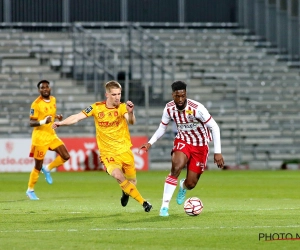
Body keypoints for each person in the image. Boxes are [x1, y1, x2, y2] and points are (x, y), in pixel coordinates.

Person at [52, 80, 152, 212]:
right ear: (107, 95)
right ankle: (144, 203)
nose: (117, 97)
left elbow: (131, 122)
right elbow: (77, 117)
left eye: (119, 94)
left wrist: (131, 112)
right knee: (118, 176)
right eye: (114, 94)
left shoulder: (123, 107)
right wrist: (61, 123)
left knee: (131, 182)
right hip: (108, 154)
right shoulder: (96, 107)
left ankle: (125, 192)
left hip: (125, 151)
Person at [139, 80, 224, 216]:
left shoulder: (197, 108)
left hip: (200, 145)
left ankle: (183, 186)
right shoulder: (169, 108)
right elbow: (162, 127)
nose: (180, 99)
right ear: (173, 95)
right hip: (183, 140)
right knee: (176, 167)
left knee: (191, 184)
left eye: (183, 96)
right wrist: (150, 142)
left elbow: (214, 127)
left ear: (186, 94)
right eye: (177, 96)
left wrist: (217, 152)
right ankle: (164, 207)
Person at [26, 80, 70, 200]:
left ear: (50, 88)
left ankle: (48, 168)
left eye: (47, 87)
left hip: (51, 135)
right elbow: (31, 122)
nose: (45, 89)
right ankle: (30, 190)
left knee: (66, 156)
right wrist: (43, 122)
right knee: (37, 166)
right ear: (39, 90)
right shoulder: (36, 104)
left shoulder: (53, 100)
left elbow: (50, 114)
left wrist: (57, 117)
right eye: (42, 87)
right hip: (39, 138)